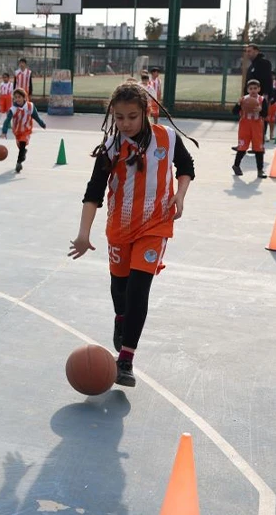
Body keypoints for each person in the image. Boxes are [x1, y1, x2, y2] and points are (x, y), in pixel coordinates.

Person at [68, 82, 196, 387]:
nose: (125, 123)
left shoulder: (167, 137)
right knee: (120, 290)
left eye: (132, 116)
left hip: (155, 226)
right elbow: (94, 191)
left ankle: (126, 359)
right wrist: (83, 233)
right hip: (120, 228)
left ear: (147, 113)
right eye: (120, 117)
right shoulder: (112, 147)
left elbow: (187, 165)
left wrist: (180, 194)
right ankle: (120, 318)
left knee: (139, 290)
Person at [0, 88, 46, 173]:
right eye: (15, 97)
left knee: (23, 143)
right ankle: (23, 153)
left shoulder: (30, 106)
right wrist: (4, 131)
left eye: (19, 97)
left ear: (24, 97)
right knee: (21, 147)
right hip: (17, 131)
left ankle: (18, 163)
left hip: (26, 130)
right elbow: (7, 121)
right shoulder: (13, 109)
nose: (17, 99)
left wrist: (42, 124)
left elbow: (36, 116)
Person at [231, 79, 268, 178]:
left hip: (257, 125)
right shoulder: (243, 99)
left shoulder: (262, 100)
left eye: (255, 88)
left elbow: (265, 114)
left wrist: (261, 110)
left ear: (259, 89)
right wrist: (238, 104)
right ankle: (236, 165)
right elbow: (234, 112)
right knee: (242, 147)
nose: (253, 90)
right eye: (251, 88)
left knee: (258, 149)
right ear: (247, 90)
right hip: (245, 125)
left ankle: (260, 170)